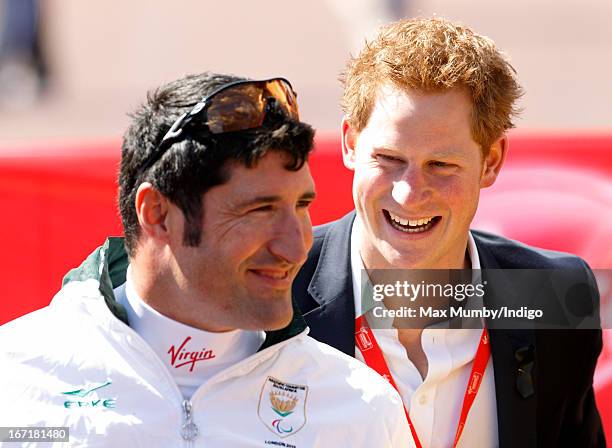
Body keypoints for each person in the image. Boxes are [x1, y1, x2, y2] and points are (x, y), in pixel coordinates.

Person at [0, 73, 413, 447]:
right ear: (158, 214)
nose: (296, 246)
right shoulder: (15, 378)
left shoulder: (360, 410)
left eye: (302, 207)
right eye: (259, 210)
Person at [293, 17, 605, 447]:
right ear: (349, 142)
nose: (408, 193)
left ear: (491, 161)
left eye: (441, 165)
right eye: (387, 158)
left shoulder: (552, 295)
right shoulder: (270, 288)